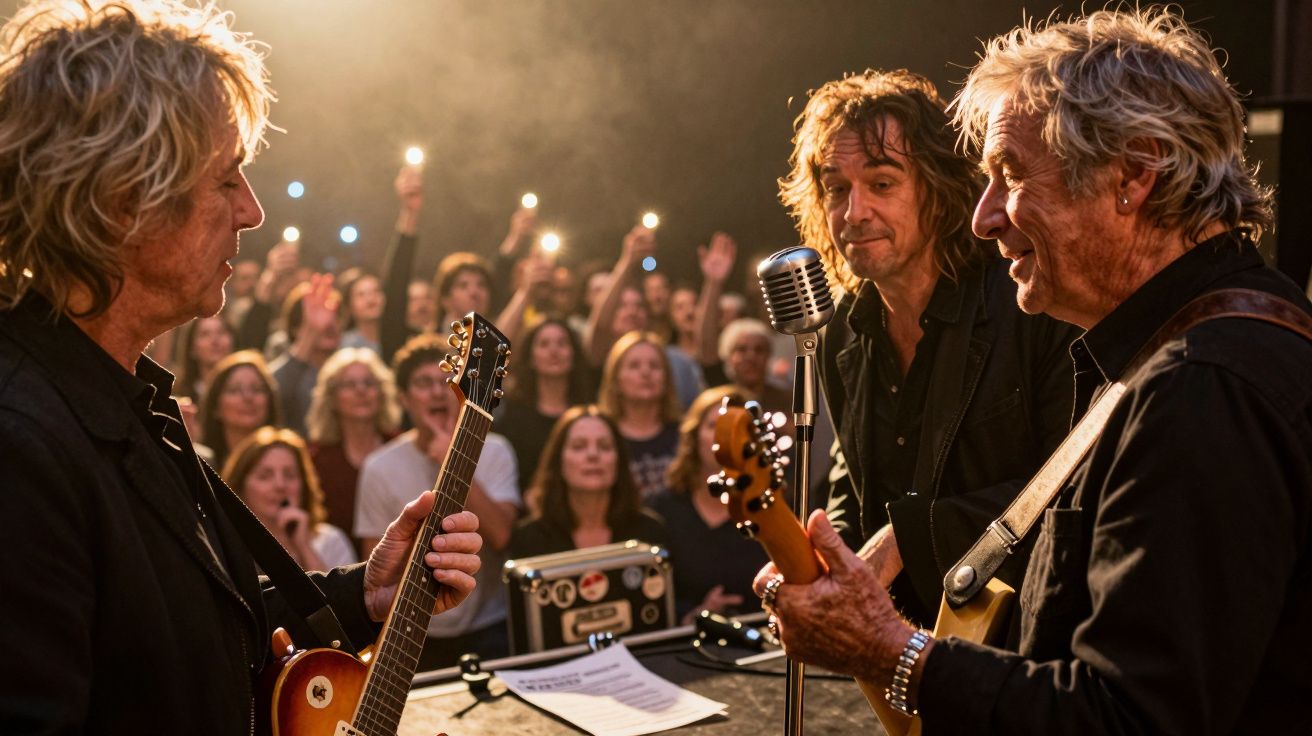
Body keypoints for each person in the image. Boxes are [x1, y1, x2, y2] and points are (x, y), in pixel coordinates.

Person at [759, 8, 1312, 734]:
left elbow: (1123, 718)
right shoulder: (1169, 358)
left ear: (1134, 176)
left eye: (1011, 175)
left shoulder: (1203, 385)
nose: (984, 217)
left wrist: (891, 651)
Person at [0, 2, 482, 733]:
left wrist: (364, 597)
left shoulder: (126, 399)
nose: (251, 210)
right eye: (227, 180)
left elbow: (186, 631)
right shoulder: (19, 450)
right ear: (120, 200)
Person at [776, 67, 1080, 624]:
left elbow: (1073, 487)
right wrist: (825, 559)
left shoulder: (1026, 302)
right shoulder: (843, 326)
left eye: (882, 183)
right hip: (905, 649)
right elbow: (858, 481)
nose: (853, 212)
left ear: (940, 190)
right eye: (835, 188)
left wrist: (907, 540)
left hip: (1025, 647)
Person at [354, 332, 520, 669]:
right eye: (422, 383)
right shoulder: (378, 466)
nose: (435, 391)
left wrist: (455, 458)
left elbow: (502, 535)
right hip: (413, 631)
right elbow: (373, 566)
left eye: (446, 380)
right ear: (403, 399)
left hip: (489, 626)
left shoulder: (497, 449)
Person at [649, 386, 768, 624]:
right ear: (693, 436)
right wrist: (695, 616)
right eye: (714, 426)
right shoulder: (662, 511)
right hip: (686, 645)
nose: (724, 438)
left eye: (735, 429)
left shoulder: (770, 509)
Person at [509, 405, 668, 559]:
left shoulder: (650, 534)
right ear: (559, 461)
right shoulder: (529, 539)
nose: (593, 455)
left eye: (604, 446)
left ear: (619, 460)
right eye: (579, 446)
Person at [305, 347, 401, 554]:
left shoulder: (401, 449)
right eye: (349, 384)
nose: (361, 391)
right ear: (332, 397)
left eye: (369, 383)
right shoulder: (315, 459)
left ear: (382, 393)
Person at [224, 426, 357, 570]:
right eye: (265, 476)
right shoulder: (225, 544)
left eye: (290, 475)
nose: (280, 485)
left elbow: (334, 593)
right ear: (240, 486)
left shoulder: (331, 541)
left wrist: (304, 547)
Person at [495, 317, 595, 484]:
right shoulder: (512, 416)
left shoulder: (589, 413)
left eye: (562, 343)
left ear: (573, 354)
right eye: (544, 344)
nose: (553, 351)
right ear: (531, 358)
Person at [596, 330, 682, 501]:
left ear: (666, 379)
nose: (646, 372)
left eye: (655, 366)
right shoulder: (602, 436)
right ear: (616, 379)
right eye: (634, 366)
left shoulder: (686, 435)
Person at [198, 349, 282, 470]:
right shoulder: (198, 464)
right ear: (215, 407)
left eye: (257, 389)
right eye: (234, 390)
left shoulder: (286, 463)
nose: (248, 397)